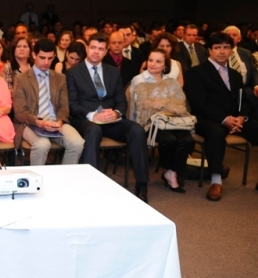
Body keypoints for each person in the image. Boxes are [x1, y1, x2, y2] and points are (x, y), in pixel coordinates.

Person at [66, 33, 150, 202]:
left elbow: (121, 101)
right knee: (94, 131)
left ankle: (142, 184)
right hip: (85, 119)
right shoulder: (73, 72)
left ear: (106, 52)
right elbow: (72, 104)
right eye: (93, 47)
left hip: (111, 119)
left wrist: (117, 113)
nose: (96, 52)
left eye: (101, 49)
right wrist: (93, 114)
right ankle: (91, 185)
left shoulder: (113, 72)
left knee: (137, 130)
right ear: (87, 48)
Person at [184, 32, 258, 200]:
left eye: (226, 47)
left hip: (235, 119)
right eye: (218, 48)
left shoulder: (235, 75)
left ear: (231, 50)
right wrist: (225, 119)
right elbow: (199, 103)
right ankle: (216, 181)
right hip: (207, 119)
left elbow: (243, 101)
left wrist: (242, 117)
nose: (222, 51)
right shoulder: (196, 73)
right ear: (210, 50)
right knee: (216, 134)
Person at [127, 49, 194, 193]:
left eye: (158, 61)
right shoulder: (139, 80)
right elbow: (142, 105)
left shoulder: (171, 82)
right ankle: (169, 172)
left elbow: (180, 103)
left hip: (171, 119)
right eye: (151, 60)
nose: (153, 64)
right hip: (149, 121)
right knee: (169, 140)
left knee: (187, 140)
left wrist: (161, 103)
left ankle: (172, 171)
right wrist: (167, 103)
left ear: (165, 65)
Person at [12, 39, 85, 166]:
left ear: (55, 56)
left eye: (50, 58)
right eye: (42, 57)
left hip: (55, 121)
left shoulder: (60, 78)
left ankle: (66, 177)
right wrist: (39, 122)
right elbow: (20, 112)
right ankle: (37, 178)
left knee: (77, 143)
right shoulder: (21, 79)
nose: (46, 62)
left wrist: (60, 122)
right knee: (42, 145)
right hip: (30, 123)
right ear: (34, 55)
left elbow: (64, 106)